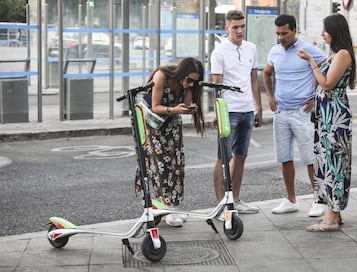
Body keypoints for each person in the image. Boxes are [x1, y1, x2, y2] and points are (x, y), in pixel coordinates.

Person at [262, 14, 326, 217]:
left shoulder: (309, 50)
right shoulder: (274, 51)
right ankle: (291, 200)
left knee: (309, 158)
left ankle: (318, 200)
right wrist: (270, 96)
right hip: (281, 112)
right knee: (285, 158)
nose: (280, 37)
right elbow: (266, 73)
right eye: (278, 33)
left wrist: (317, 97)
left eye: (284, 33)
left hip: (302, 112)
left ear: (294, 30)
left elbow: (328, 71)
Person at [297, 13, 356, 232]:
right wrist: (315, 98)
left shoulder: (342, 54)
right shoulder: (336, 54)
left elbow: (328, 83)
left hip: (335, 118)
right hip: (327, 115)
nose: (322, 34)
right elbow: (325, 86)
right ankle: (333, 214)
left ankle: (331, 218)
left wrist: (311, 62)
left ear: (334, 30)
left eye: (325, 30)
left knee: (334, 164)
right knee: (328, 162)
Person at [135, 57, 205, 227]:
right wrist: (174, 109)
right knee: (162, 168)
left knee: (176, 167)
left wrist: (189, 100)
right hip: (154, 126)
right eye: (188, 79)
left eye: (194, 82)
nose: (190, 84)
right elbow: (155, 106)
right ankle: (167, 210)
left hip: (172, 127)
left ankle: (170, 207)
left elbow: (186, 104)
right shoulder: (162, 76)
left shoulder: (187, 84)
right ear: (181, 72)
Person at [210, 10, 263, 219]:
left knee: (241, 156)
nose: (239, 31)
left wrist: (259, 107)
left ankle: (236, 200)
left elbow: (253, 80)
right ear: (227, 28)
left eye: (242, 27)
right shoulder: (219, 52)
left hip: (247, 110)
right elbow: (217, 86)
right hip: (229, 110)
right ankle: (221, 204)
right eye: (235, 27)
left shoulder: (251, 48)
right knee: (223, 156)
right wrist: (218, 112)